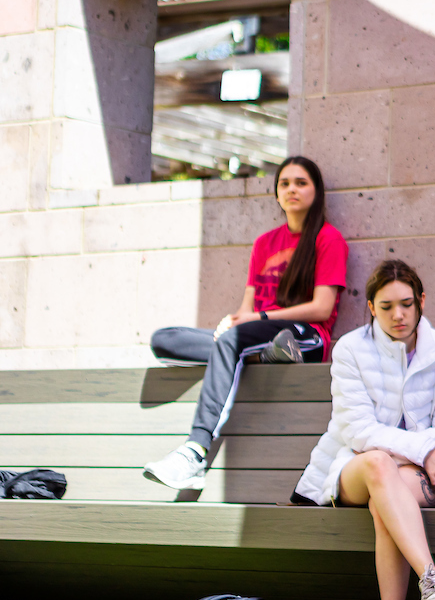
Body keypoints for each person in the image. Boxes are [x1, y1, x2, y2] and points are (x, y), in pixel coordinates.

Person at [292, 260, 435, 600]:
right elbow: (358, 431)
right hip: (358, 466)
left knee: (386, 501)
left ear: (421, 301)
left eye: (406, 303)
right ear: (371, 307)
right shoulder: (351, 350)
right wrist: (423, 450)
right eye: (386, 306)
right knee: (377, 463)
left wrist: (425, 454)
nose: (398, 315)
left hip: (419, 474)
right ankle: (431, 578)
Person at [144, 156, 348, 492]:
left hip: (305, 335)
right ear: (276, 193)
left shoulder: (328, 239)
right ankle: (260, 355)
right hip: (256, 333)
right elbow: (246, 309)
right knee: (165, 339)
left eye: (301, 183)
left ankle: (194, 452)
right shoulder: (264, 243)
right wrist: (235, 323)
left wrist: (259, 318)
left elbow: (323, 308)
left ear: (317, 191)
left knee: (250, 340)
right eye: (284, 183)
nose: (292, 189)